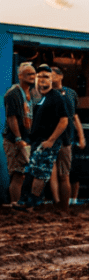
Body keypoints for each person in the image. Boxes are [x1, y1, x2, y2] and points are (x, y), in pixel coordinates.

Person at [23, 65, 69, 207]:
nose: (43, 79)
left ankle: (32, 204)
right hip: (36, 141)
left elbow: (64, 120)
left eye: (46, 77)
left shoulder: (56, 98)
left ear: (52, 80)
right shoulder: (38, 97)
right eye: (40, 76)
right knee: (33, 172)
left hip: (48, 142)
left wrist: (51, 140)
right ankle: (30, 203)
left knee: (40, 173)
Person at [49, 67, 85, 211]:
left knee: (66, 174)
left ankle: (66, 205)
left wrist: (82, 137)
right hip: (50, 138)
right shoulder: (45, 93)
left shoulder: (71, 93)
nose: (50, 78)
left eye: (52, 75)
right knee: (51, 172)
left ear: (60, 76)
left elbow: (75, 117)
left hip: (67, 139)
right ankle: (57, 202)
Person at [4, 62, 37, 205]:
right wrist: (18, 139)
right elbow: (11, 118)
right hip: (15, 140)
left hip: (27, 139)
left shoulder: (32, 93)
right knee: (17, 174)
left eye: (33, 74)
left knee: (23, 174)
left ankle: (19, 203)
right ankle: (15, 204)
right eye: (29, 74)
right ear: (19, 76)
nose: (32, 76)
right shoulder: (13, 93)